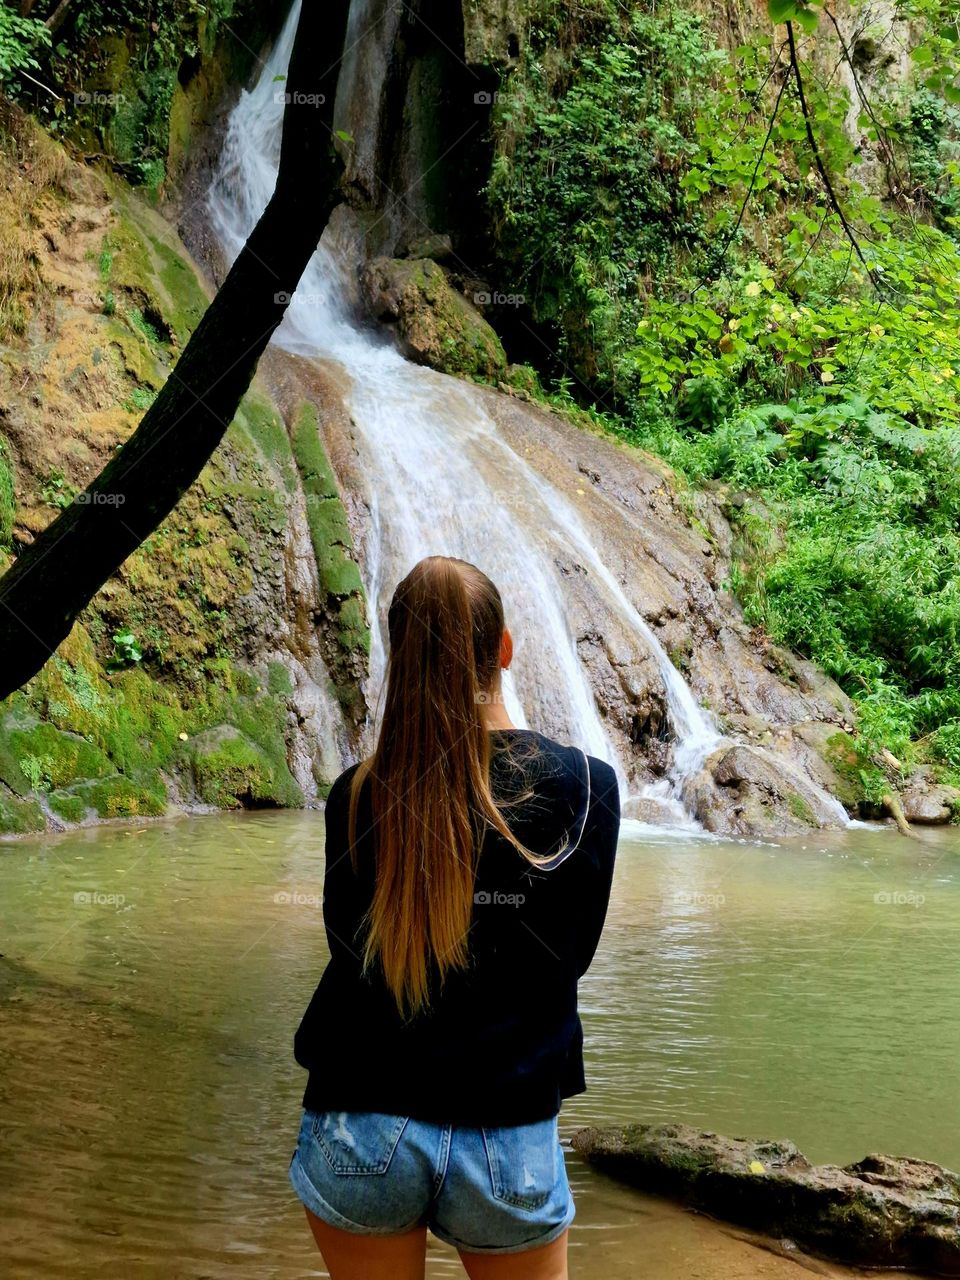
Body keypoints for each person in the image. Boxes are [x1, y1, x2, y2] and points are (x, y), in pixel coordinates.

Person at [288, 555, 621, 1280]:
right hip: (507, 1134)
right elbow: (573, 953)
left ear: (398, 652)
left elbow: (350, 948)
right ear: (503, 649)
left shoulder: (356, 795)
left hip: (361, 1129)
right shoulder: (588, 790)